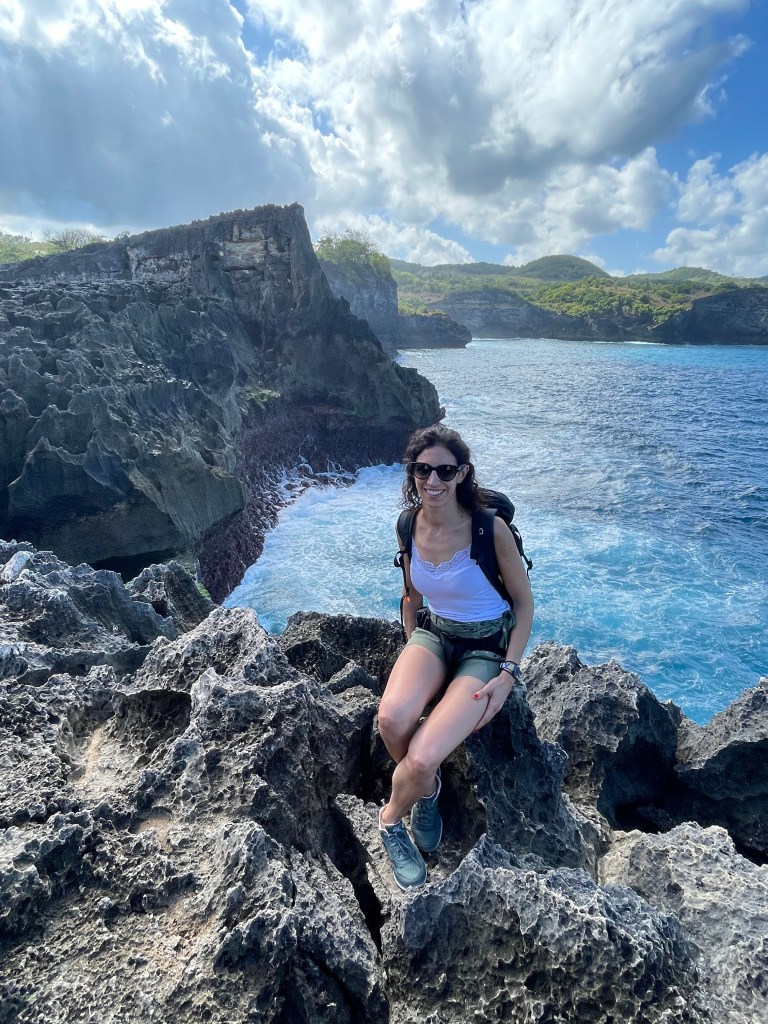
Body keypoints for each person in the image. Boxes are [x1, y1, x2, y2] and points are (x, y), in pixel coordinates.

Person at [377, 423, 534, 889]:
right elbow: (411, 595)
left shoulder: (489, 529)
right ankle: (426, 792)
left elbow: (524, 604)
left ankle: (390, 818)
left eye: (445, 471)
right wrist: (412, 644)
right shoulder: (408, 524)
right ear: (412, 472)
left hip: (485, 647)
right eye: (423, 469)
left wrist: (507, 674)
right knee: (391, 720)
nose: (433, 481)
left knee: (423, 758)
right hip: (435, 634)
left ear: (462, 474)